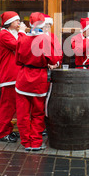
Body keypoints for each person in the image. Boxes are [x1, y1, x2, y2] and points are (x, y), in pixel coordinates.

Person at [15, 12, 62, 151]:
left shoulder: (22, 38)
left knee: (22, 114)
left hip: (23, 78)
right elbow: (53, 59)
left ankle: (25, 142)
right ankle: (35, 143)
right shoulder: (45, 39)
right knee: (37, 113)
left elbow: (17, 59)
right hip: (39, 80)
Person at [0, 11, 21, 142]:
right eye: (16, 20)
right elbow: (19, 45)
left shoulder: (12, 34)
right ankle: (2, 133)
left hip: (14, 75)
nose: (19, 22)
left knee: (13, 106)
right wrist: (23, 33)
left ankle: (8, 130)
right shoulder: (4, 34)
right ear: (9, 22)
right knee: (7, 106)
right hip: (9, 76)